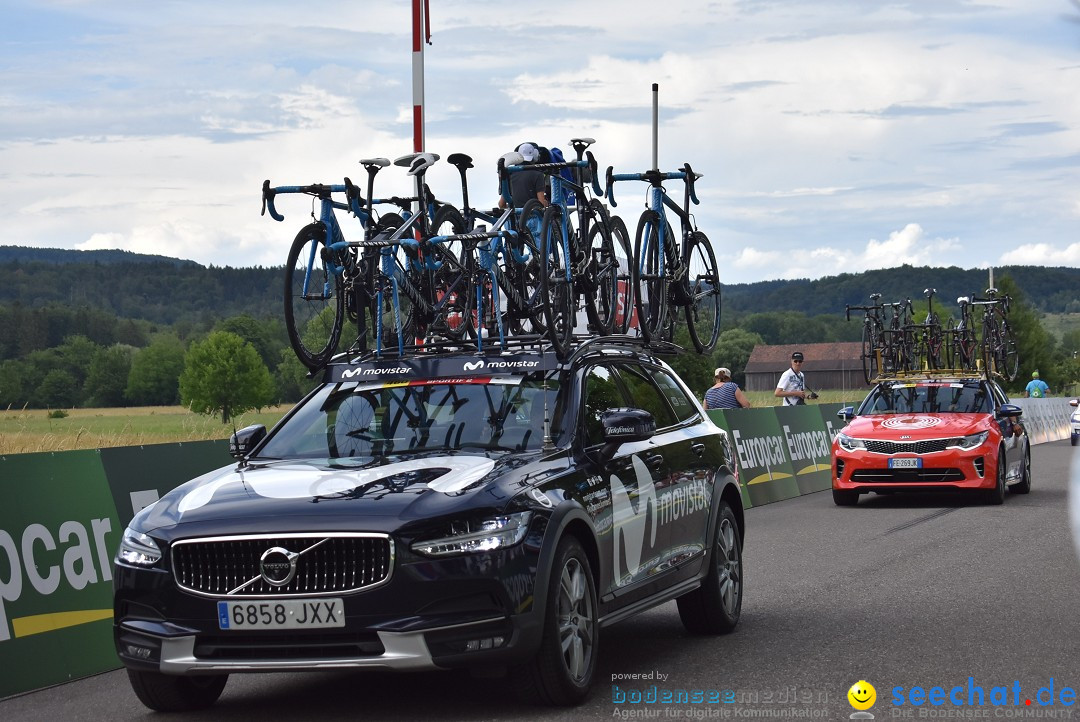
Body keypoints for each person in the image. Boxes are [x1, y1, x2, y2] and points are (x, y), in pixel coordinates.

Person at [497, 143, 549, 210]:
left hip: (516, 218)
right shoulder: (538, 174)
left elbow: (501, 204)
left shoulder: (509, 173)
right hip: (534, 217)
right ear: (535, 156)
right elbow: (541, 203)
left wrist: (513, 210)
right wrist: (546, 204)